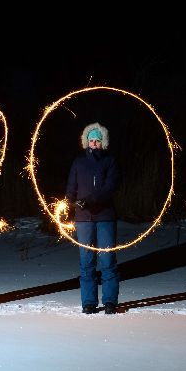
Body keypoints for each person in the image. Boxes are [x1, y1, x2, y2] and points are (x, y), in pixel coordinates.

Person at [65, 122, 121, 314]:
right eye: (91, 140)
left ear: (103, 142)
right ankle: (88, 302)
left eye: (97, 140)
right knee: (86, 261)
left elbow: (110, 187)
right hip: (83, 219)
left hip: (105, 216)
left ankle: (110, 302)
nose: (94, 143)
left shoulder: (110, 161)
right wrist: (71, 202)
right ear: (86, 142)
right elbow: (71, 188)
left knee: (107, 260)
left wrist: (88, 200)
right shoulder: (78, 162)